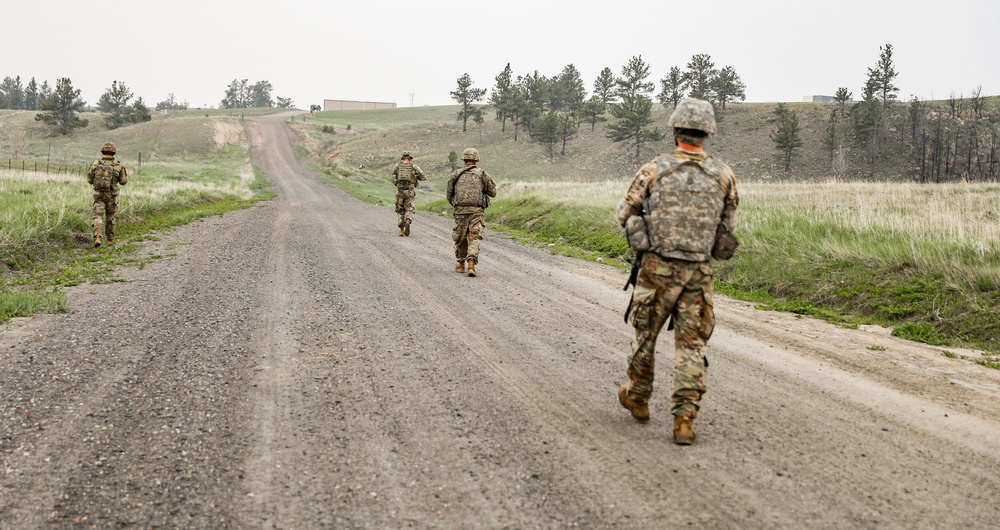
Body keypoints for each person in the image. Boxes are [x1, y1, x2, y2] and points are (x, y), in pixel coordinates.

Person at [616, 98, 739, 445]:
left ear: (675, 129)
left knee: (645, 336)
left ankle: (638, 398)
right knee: (692, 346)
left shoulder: (653, 169)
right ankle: (684, 419)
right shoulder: (724, 175)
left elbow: (623, 215)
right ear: (707, 134)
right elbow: (728, 228)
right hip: (699, 272)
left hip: (657, 268)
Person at [445, 148, 496, 277]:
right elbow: (493, 192)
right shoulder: (482, 173)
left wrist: (456, 206)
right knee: (475, 236)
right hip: (476, 210)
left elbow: (449, 194)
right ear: (476, 159)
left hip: (460, 210)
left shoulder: (456, 174)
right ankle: (472, 261)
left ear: (463, 159)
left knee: (460, 236)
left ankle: (461, 264)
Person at [86, 142, 128, 247]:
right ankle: (110, 240)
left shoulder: (96, 164)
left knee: (97, 216)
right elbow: (123, 182)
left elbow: (90, 180)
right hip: (111, 196)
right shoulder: (118, 166)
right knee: (110, 217)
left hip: (98, 195)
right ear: (113, 152)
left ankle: (97, 237)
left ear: (103, 151)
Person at [391, 151, 427, 236]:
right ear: (410, 158)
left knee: (400, 209)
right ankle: (408, 220)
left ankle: (401, 230)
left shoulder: (397, 167)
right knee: (409, 208)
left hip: (399, 191)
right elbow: (424, 177)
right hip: (410, 191)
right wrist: (415, 177)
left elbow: (393, 177)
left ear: (402, 158)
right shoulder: (413, 167)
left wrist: (397, 183)